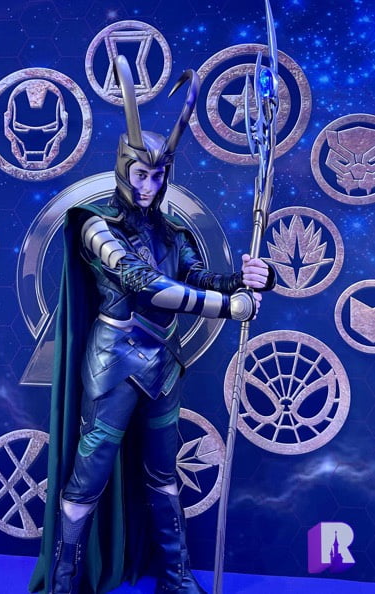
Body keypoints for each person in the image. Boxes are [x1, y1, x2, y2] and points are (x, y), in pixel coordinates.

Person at [29, 56, 275, 594]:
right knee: (88, 479)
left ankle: (176, 578)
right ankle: (64, 584)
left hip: (162, 366)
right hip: (114, 363)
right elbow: (143, 284)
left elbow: (200, 277)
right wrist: (227, 307)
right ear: (124, 169)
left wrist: (251, 278)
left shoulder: (171, 233)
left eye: (159, 175)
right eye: (141, 174)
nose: (149, 185)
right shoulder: (95, 226)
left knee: (164, 478)